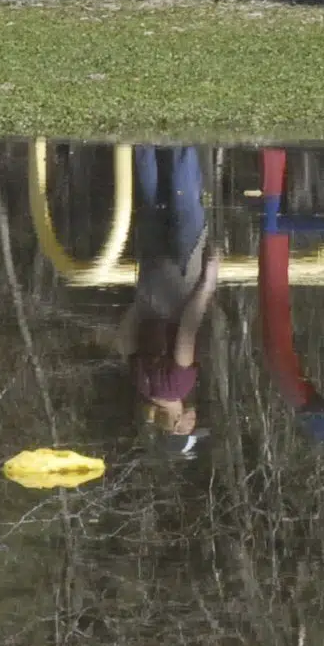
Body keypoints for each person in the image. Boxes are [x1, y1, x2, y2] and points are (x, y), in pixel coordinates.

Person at [117, 145, 217, 444]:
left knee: (186, 206)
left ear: (176, 425)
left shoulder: (178, 386)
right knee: (151, 205)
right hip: (150, 286)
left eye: (188, 427)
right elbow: (123, 339)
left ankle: (181, 142)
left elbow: (186, 333)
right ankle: (144, 142)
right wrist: (141, 301)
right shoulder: (142, 385)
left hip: (179, 285)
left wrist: (207, 285)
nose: (194, 420)